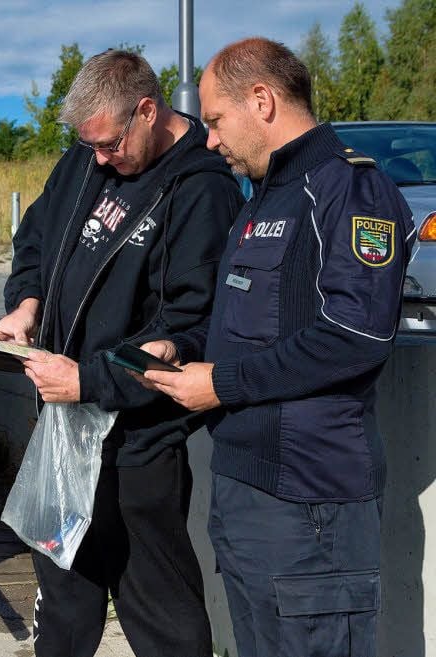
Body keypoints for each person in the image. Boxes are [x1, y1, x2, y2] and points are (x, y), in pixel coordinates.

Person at [140, 37, 415, 657]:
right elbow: (246, 323)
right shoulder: (262, 195)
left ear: (261, 100)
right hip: (244, 491)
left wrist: (221, 385)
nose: (209, 139)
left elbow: (357, 335)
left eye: (214, 120)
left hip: (309, 504)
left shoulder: (350, 190)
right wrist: (180, 347)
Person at [0, 49, 243, 657]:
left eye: (109, 145)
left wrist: (94, 381)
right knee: (63, 597)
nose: (99, 159)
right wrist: (25, 303)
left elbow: (193, 325)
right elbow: (34, 242)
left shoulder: (202, 190)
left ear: (148, 111)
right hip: (63, 427)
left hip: (138, 440)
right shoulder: (83, 160)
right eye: (90, 147)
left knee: (157, 607)